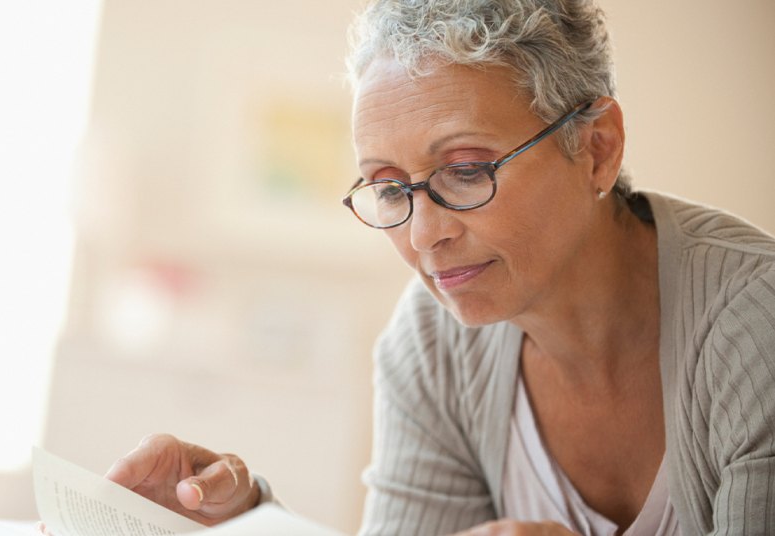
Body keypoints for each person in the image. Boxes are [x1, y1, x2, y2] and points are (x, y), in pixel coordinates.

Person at [99, 1, 775, 535]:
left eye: (464, 170)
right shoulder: (431, 341)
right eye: (390, 188)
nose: (424, 235)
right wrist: (246, 520)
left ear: (595, 149)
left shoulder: (755, 324)